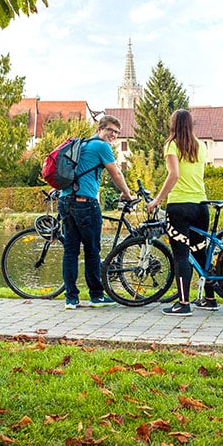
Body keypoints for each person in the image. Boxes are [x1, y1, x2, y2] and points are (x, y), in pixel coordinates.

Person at [58, 115, 133, 310]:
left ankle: (71, 299)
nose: (113, 135)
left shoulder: (82, 144)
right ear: (99, 128)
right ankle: (96, 296)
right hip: (85, 204)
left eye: (117, 133)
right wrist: (127, 194)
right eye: (110, 130)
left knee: (71, 251)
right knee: (92, 251)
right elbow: (115, 172)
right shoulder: (101, 146)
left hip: (65, 201)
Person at [146, 109, 211, 316]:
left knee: (181, 255)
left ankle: (183, 303)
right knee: (201, 253)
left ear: (173, 124)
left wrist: (157, 200)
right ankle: (210, 298)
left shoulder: (172, 144)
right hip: (201, 205)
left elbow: (174, 174)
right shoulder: (201, 146)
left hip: (180, 206)